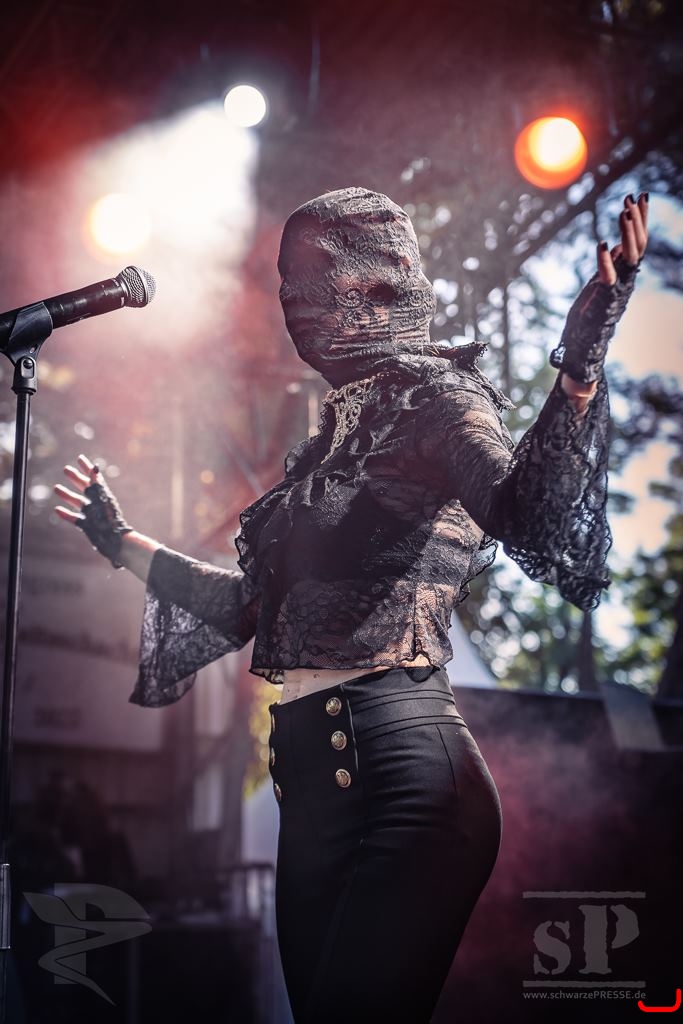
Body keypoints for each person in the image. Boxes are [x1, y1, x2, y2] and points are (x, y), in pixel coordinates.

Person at [54, 187, 648, 1023]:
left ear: (380, 279)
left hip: (406, 779)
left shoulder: (439, 399)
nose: (295, 300)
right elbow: (248, 610)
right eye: (285, 282)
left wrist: (578, 366)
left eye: (316, 275)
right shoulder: (327, 450)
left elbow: (524, 513)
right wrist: (120, 541)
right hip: (311, 792)